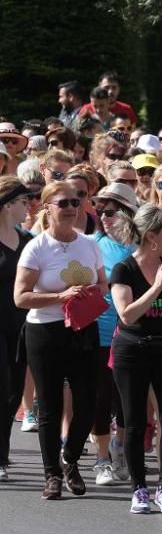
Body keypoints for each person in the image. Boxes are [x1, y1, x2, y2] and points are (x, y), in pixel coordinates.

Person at [15, 182, 108, 499]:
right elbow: (20, 297)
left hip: (84, 329)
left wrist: (90, 294)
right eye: (63, 202)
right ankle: (51, 475)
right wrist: (60, 295)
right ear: (47, 208)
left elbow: (104, 284)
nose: (71, 207)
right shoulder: (37, 247)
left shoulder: (89, 244)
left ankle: (70, 459)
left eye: (76, 200)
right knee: (50, 407)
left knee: (88, 402)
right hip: (45, 332)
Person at [108, 205, 162, 515]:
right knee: (134, 422)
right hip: (132, 350)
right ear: (152, 237)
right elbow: (126, 315)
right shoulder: (124, 269)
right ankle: (139, 488)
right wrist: (156, 286)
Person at [88, 182, 139, 486]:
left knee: (126, 401)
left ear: (127, 213)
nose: (105, 217)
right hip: (98, 332)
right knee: (101, 398)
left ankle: (119, 448)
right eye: (101, 211)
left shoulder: (140, 246)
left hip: (131, 334)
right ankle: (102, 459)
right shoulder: (91, 243)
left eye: (111, 211)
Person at [0, 178, 33, 482]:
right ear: (9, 204)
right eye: (24, 201)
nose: (29, 206)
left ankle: (2, 448)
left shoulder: (26, 240)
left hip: (21, 325)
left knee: (13, 391)